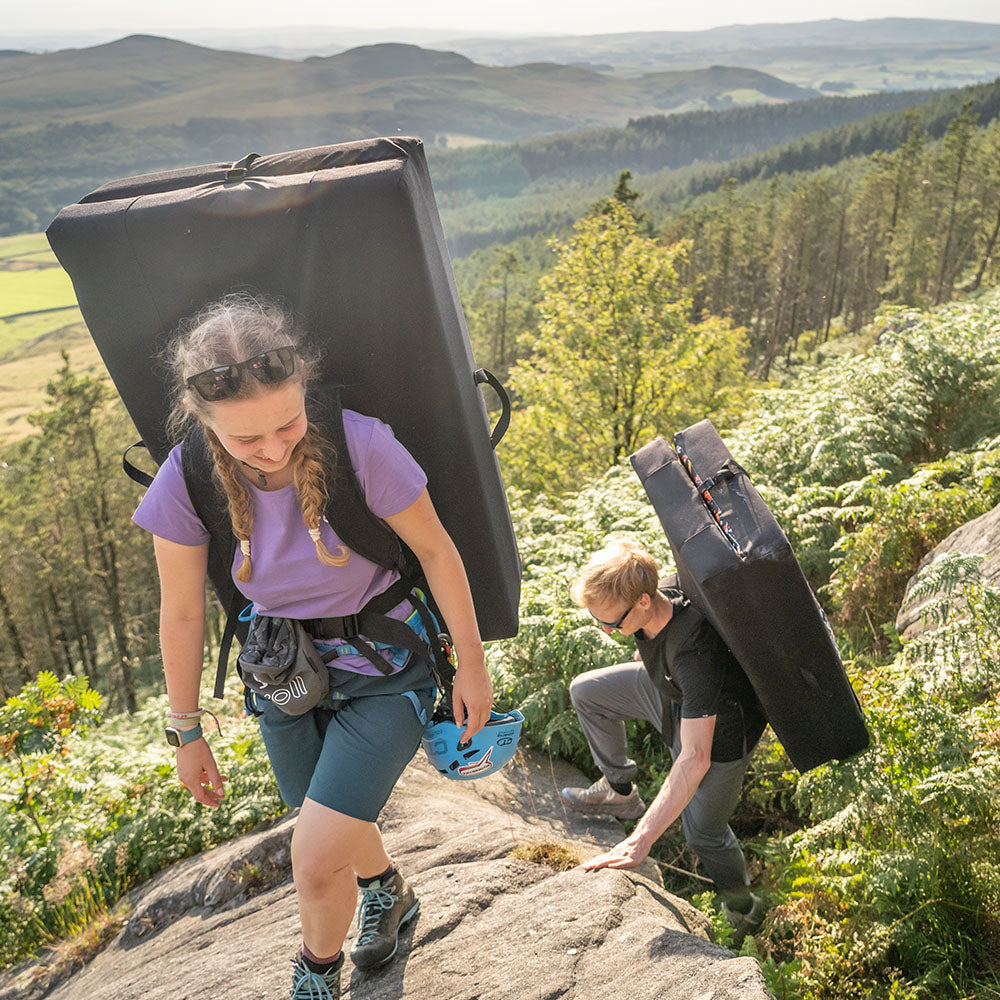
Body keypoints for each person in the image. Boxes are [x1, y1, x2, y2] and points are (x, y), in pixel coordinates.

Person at [132, 293, 493, 1000]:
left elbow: (437, 552)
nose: (273, 449)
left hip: (388, 668)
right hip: (285, 676)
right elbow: (180, 616)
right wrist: (185, 734)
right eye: (245, 440)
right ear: (202, 419)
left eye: (288, 422)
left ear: (307, 383)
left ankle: (316, 976)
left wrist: (472, 668)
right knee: (323, 813)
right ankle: (387, 889)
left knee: (314, 854)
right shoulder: (187, 478)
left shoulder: (360, 443)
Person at [560, 538, 767, 945]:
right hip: (671, 692)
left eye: (611, 623)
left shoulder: (694, 654)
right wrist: (651, 652)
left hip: (721, 737)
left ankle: (745, 908)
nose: (605, 631)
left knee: (702, 833)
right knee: (587, 692)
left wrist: (641, 840)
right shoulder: (663, 593)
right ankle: (620, 791)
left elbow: (695, 757)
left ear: (640, 603)